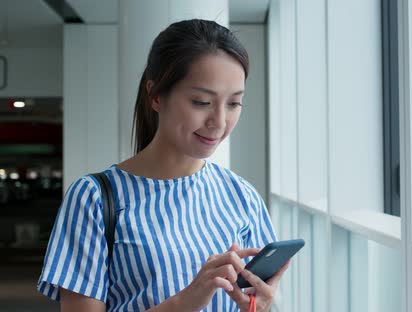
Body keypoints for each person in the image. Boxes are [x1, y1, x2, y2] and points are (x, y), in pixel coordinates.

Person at [37, 19, 288, 312]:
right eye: (201, 101)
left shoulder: (241, 196)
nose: (219, 122)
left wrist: (259, 305)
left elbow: (257, 305)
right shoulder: (94, 197)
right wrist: (186, 301)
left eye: (233, 104)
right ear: (156, 95)